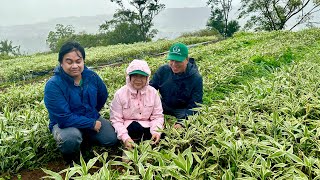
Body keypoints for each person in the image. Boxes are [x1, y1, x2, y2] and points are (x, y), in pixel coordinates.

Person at [44, 41, 118, 166]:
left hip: (89, 116)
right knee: (70, 138)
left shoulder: (91, 76)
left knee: (111, 138)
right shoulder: (53, 85)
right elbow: (63, 118)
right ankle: (70, 159)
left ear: (83, 61)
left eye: (78, 61)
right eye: (69, 62)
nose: (74, 66)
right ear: (61, 63)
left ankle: (85, 141)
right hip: (65, 124)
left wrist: (92, 113)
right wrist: (91, 123)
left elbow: (102, 95)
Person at [110, 59, 164, 151]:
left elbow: (157, 116)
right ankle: (128, 148)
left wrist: (156, 132)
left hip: (148, 128)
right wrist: (125, 138)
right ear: (129, 77)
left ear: (147, 78)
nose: (138, 80)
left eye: (142, 76)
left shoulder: (153, 93)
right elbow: (116, 120)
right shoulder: (120, 94)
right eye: (135, 76)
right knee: (133, 128)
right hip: (128, 130)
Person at [149, 42, 203, 128]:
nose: (174, 64)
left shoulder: (196, 78)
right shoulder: (163, 71)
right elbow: (149, 90)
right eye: (171, 60)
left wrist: (182, 122)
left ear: (187, 60)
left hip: (182, 109)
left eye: (178, 61)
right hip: (164, 105)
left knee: (190, 123)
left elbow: (195, 104)